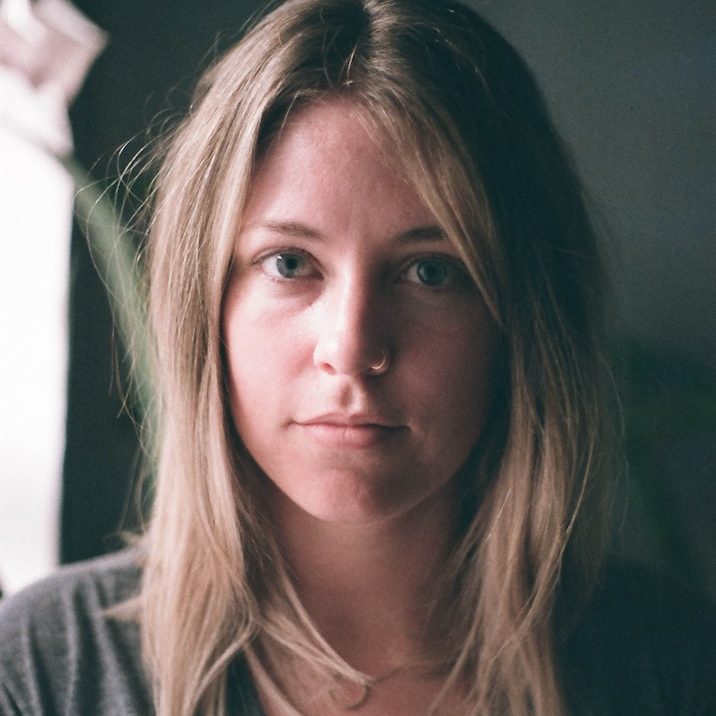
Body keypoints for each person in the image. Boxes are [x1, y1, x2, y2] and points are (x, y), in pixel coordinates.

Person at [1, 0, 714, 714]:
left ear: (523, 322)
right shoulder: (39, 674)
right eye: (289, 263)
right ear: (204, 305)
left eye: (430, 271)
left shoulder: (677, 671)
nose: (351, 348)